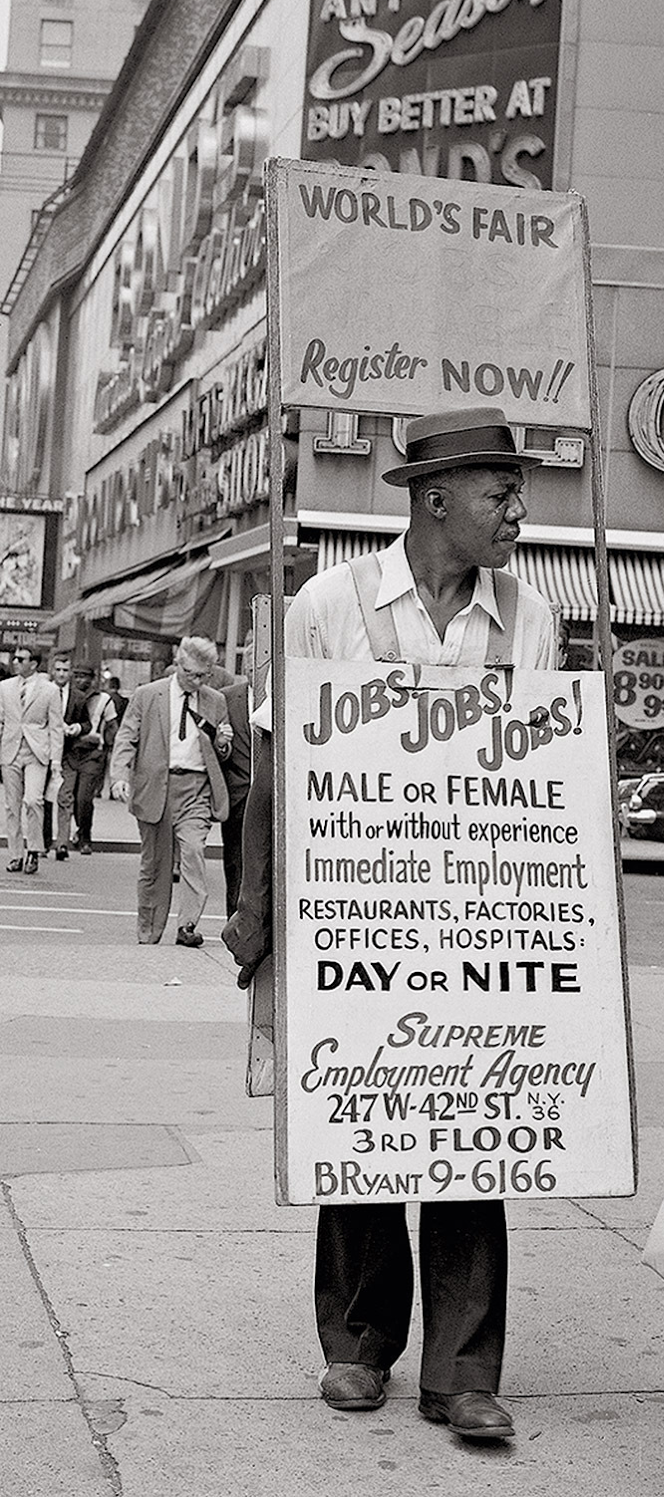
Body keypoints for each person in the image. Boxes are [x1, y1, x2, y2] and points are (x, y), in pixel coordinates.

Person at [224, 407, 557, 1438]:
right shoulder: (327, 603)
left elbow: (544, 769)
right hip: (352, 910)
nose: (517, 508)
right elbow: (276, 768)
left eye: (517, 489)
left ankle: (462, 1371)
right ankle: (358, 1347)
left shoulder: (530, 616)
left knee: (471, 1132)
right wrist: (260, 913)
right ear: (434, 498)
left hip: (481, 918)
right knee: (365, 1126)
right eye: (499, 492)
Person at [109, 636, 233, 946]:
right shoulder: (147, 695)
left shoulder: (215, 700)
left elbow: (223, 753)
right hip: (155, 788)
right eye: (191, 673)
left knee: (193, 851)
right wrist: (120, 776)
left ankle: (188, 926)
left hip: (196, 789)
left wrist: (222, 742)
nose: (198, 680)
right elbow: (127, 738)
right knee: (155, 864)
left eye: (205, 674)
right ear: (178, 664)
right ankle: (148, 931)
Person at [0, 648, 63, 874]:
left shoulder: (50, 690)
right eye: (15, 659)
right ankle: (16, 854)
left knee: (34, 800)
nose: (16, 662)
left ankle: (34, 850)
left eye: (21, 659)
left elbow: (56, 727)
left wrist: (56, 760)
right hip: (10, 749)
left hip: (37, 751)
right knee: (11, 805)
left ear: (34, 664)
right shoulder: (4, 687)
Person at [204, 663, 251, 915]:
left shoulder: (284, 694)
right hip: (239, 796)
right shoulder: (227, 698)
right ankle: (235, 923)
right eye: (254, 667)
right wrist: (221, 745)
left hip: (277, 798)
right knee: (236, 864)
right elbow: (211, 749)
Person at [54, 665, 115, 858]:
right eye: (78, 676)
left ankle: (84, 836)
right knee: (65, 796)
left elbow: (113, 727)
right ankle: (62, 841)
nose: (81, 680)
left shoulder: (104, 700)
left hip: (92, 754)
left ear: (93, 679)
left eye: (85, 677)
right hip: (70, 753)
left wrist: (104, 743)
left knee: (84, 798)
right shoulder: (67, 697)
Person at [43, 652, 75, 852]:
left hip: (70, 755)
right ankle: (45, 842)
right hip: (45, 753)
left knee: (65, 798)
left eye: (65, 670)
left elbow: (88, 722)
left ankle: (62, 843)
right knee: (44, 800)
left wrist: (77, 728)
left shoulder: (78, 697)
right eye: (58, 670)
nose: (62, 674)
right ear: (52, 671)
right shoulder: (43, 692)